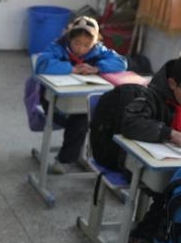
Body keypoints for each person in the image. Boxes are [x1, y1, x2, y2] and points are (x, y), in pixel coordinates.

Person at [33, 15, 127, 173]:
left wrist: (98, 67)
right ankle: (66, 159)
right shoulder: (58, 47)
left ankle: (70, 157)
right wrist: (71, 68)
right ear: (69, 38)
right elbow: (41, 64)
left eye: (87, 45)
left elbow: (121, 62)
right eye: (77, 43)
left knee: (84, 116)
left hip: (81, 101)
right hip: (53, 103)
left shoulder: (99, 51)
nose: (81, 49)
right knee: (81, 120)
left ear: (95, 42)